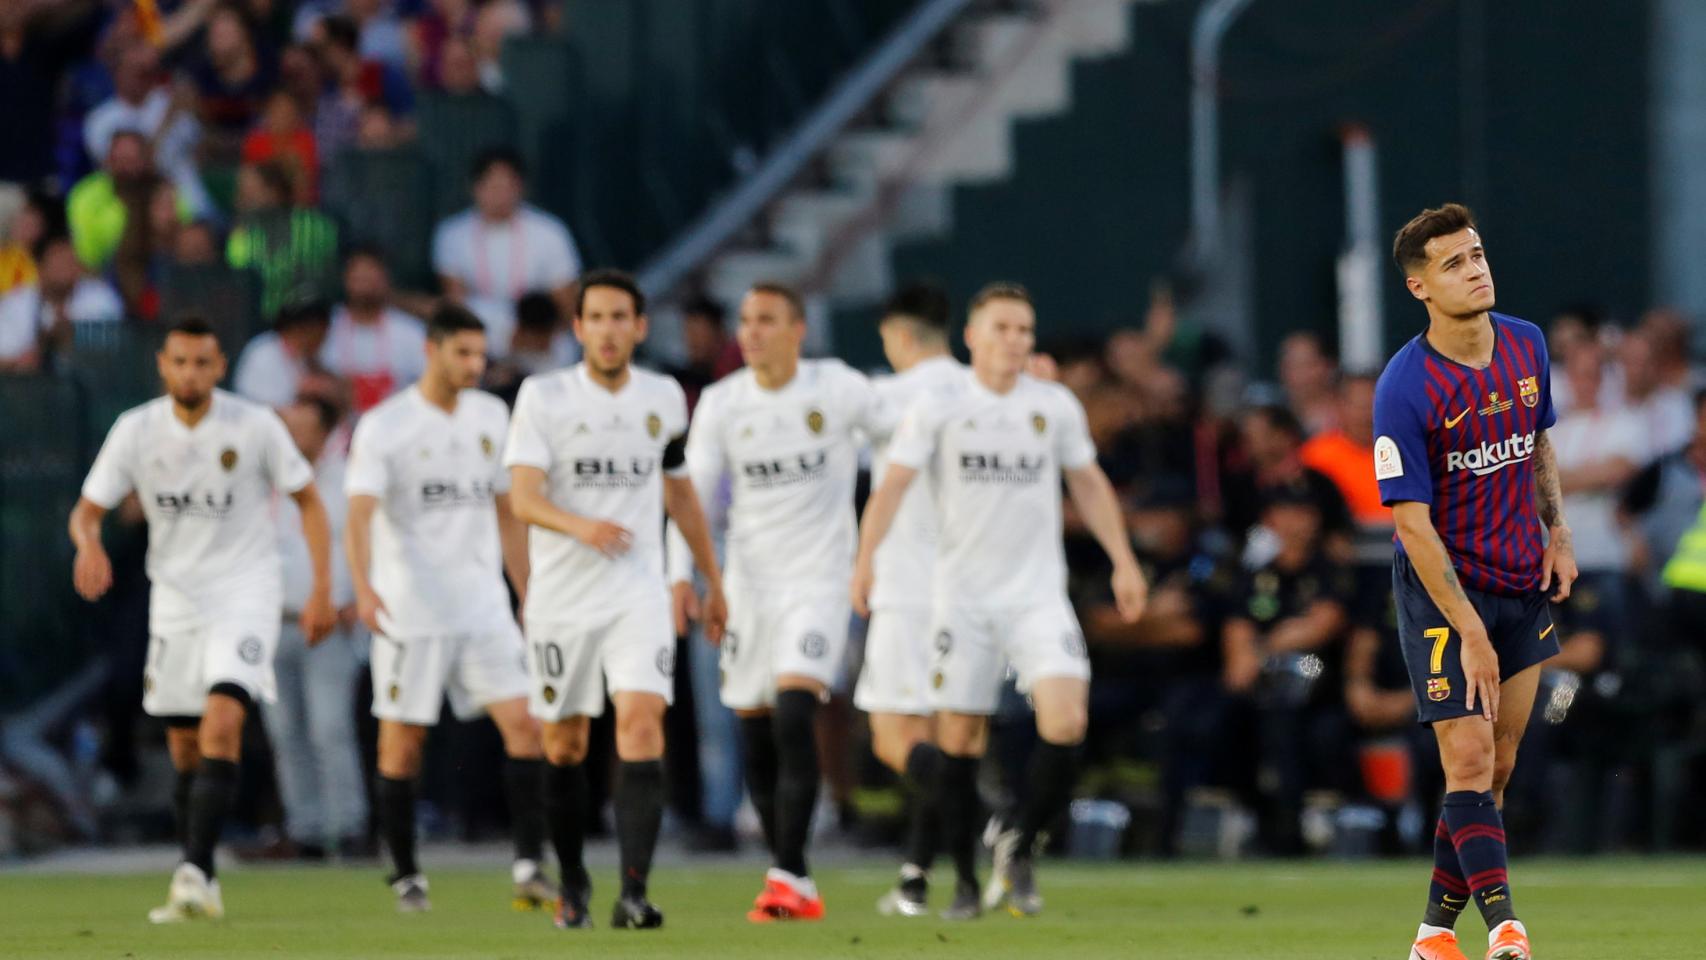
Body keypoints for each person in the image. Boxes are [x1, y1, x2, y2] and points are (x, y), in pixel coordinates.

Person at [851, 282, 1148, 919]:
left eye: (1024, 330)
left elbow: (1088, 482)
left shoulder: (1052, 404)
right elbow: (893, 486)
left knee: (1067, 721)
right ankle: (962, 881)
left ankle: (1018, 840)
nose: (1015, 340)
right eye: (1003, 328)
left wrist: (1124, 560)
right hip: (960, 599)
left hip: (1037, 593)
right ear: (972, 338)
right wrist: (865, 561)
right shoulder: (940, 406)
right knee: (958, 740)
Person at [68, 316, 337, 922]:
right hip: (176, 601)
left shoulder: (255, 425)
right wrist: (89, 543)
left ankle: (190, 872)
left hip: (244, 590)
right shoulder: (135, 430)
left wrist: (322, 586)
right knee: (187, 747)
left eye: (203, 362)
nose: (191, 373)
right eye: (180, 362)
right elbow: (87, 511)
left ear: (220, 368)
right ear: (163, 366)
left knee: (222, 723)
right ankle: (204, 874)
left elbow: (309, 501)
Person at [1373, 203, 1576, 960]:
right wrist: (1469, 632)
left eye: (1478, 253)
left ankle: (1431, 938)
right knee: (1465, 760)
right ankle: (1506, 933)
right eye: (1454, 263)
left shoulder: (1526, 344)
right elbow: (1412, 525)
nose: (1476, 268)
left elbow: (1538, 440)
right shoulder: (1404, 388)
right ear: (1421, 287)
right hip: (1443, 591)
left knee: (1499, 765)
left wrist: (1557, 531)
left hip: (1521, 579)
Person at [503, 269, 727, 930]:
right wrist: (581, 527)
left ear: (639, 327)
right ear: (578, 329)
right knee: (566, 744)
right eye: (594, 318)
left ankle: (634, 893)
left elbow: (680, 490)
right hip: (562, 598)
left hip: (637, 592)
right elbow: (522, 498)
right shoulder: (543, 398)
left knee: (640, 724)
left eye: (619, 317)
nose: (607, 330)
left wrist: (713, 578)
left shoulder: (663, 397)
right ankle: (573, 880)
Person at [666, 282, 888, 922]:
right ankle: (792, 876)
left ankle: (788, 870)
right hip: (748, 588)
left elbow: (903, 429)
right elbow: (695, 494)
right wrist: (683, 576)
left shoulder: (837, 387)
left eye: (766, 320)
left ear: (798, 329)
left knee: (796, 713)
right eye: (745, 320)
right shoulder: (722, 403)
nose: (752, 331)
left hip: (819, 582)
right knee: (755, 730)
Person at [343, 303, 551, 913]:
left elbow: (507, 510)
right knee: (402, 743)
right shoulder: (386, 425)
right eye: (463, 353)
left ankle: (529, 866)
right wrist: (364, 585)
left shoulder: (491, 416)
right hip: (412, 609)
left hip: (482, 604)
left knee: (527, 727)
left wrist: (526, 590)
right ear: (430, 351)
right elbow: (359, 515)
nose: (475, 365)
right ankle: (407, 874)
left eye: (480, 354)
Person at [850, 283, 974, 918]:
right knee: (942, 733)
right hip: (969, 591)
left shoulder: (884, 398)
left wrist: (859, 559)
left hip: (904, 586)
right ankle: (915, 880)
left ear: (898, 335)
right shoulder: (981, 390)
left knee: (893, 737)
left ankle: (985, 817)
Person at [1217, 489, 1354, 855]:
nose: (1296, 522)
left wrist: (1262, 648)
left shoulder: (1328, 570)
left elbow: (1323, 624)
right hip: (1263, 688)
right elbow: (1237, 635)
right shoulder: (1255, 575)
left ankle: (1289, 828)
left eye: (1303, 512)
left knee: (1289, 721)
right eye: (1286, 512)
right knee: (1220, 718)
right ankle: (1255, 814)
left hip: (1319, 685)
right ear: (1270, 520)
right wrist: (1252, 657)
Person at [263, 395, 367, 860]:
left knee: (330, 728)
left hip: (330, 621)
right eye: (287, 426)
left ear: (327, 432)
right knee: (286, 732)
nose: (293, 436)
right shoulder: (262, 480)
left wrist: (357, 600)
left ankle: (348, 825)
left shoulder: (346, 483)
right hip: (271, 621)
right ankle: (303, 827)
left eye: (303, 427)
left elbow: (368, 544)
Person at [432, 147, 581, 355]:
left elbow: (566, 304)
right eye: (492, 187)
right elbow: (456, 302)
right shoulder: (453, 233)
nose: (500, 196)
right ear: (475, 188)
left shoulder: (550, 231)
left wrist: (530, 336)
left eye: (507, 187)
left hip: (539, 338)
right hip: (481, 339)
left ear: (521, 187)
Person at [318, 247, 426, 414]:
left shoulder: (411, 331)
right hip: (338, 426)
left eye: (371, 276)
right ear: (345, 279)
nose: (364, 284)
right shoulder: (323, 328)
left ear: (386, 279)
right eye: (358, 277)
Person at [0, 233, 123, 372]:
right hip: (30, 387)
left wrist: (72, 335)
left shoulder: (101, 297)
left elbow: (113, 351)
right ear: (40, 267)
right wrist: (36, 353)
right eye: (58, 261)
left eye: (70, 261)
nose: (66, 268)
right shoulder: (15, 302)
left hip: (90, 386)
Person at [1300, 372, 1390, 527]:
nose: (1366, 415)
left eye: (1373, 405)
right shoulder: (1315, 455)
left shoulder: (1407, 452)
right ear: (1340, 406)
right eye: (1359, 406)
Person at [233, 301, 333, 408]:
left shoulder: (307, 359)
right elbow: (255, 407)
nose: (323, 340)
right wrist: (301, 393)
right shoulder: (262, 353)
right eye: (321, 333)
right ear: (306, 328)